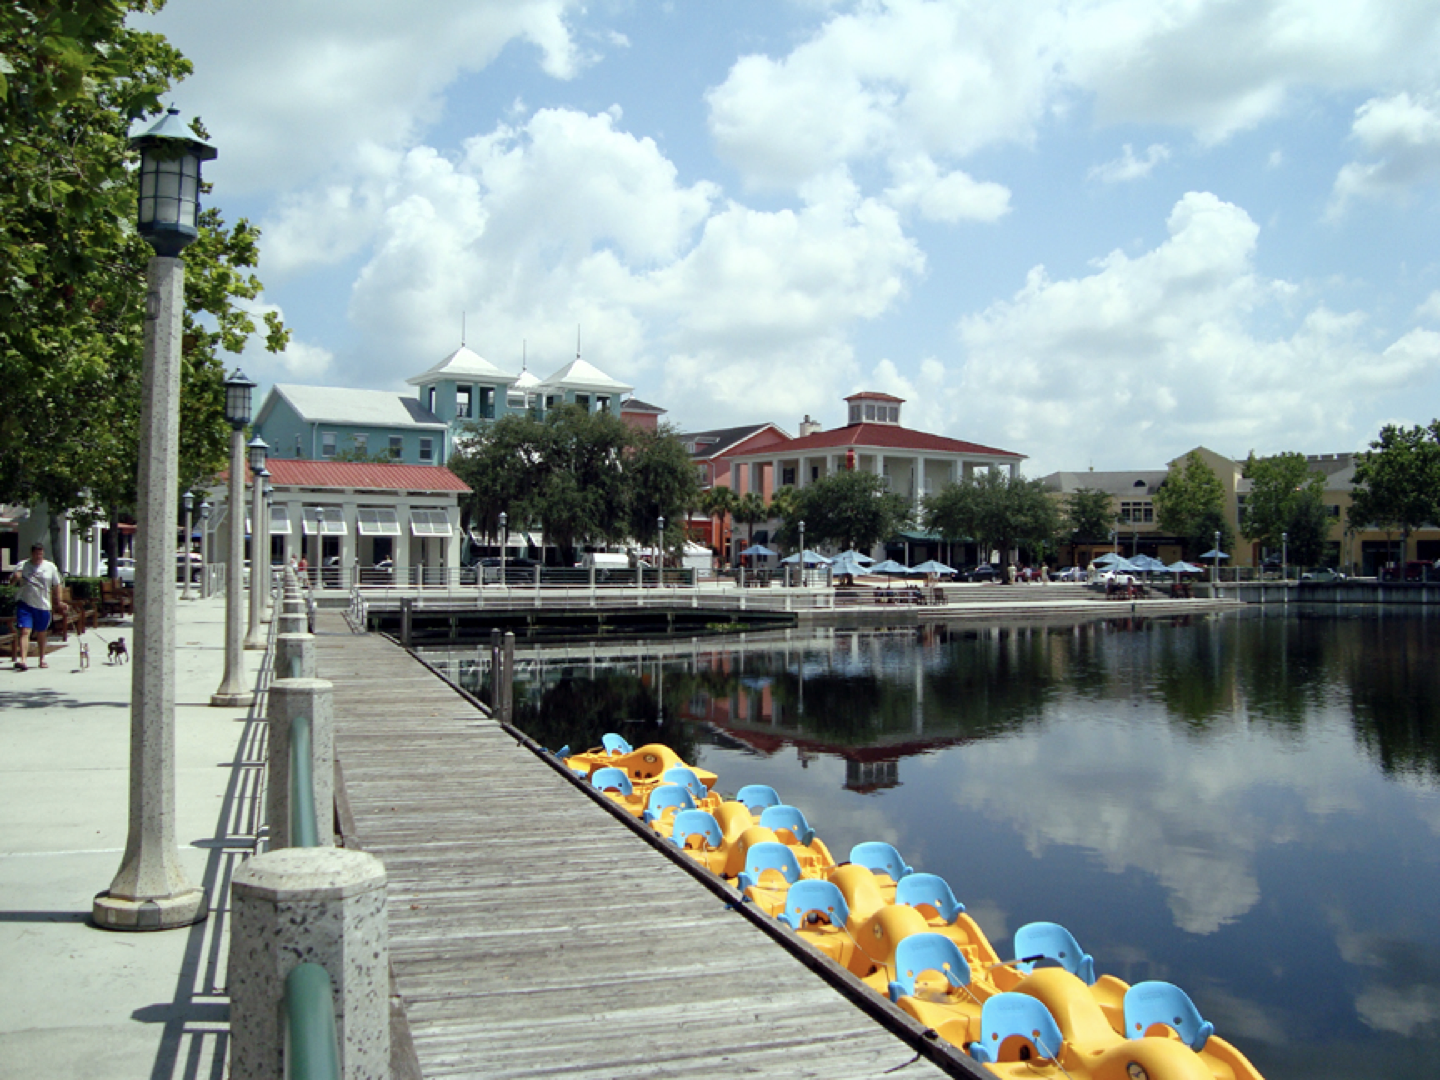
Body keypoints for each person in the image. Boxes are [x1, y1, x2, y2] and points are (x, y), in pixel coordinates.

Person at [9, 542, 66, 671]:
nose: (38, 556)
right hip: (25, 603)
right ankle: (23, 660)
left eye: (40, 553)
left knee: (41, 633)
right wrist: (15, 578)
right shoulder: (23, 565)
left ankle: (42, 658)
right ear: (32, 554)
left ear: (43, 553)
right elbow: (12, 582)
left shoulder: (50, 567)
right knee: (24, 631)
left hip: (43, 605)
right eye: (36, 554)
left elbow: (57, 584)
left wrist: (59, 601)